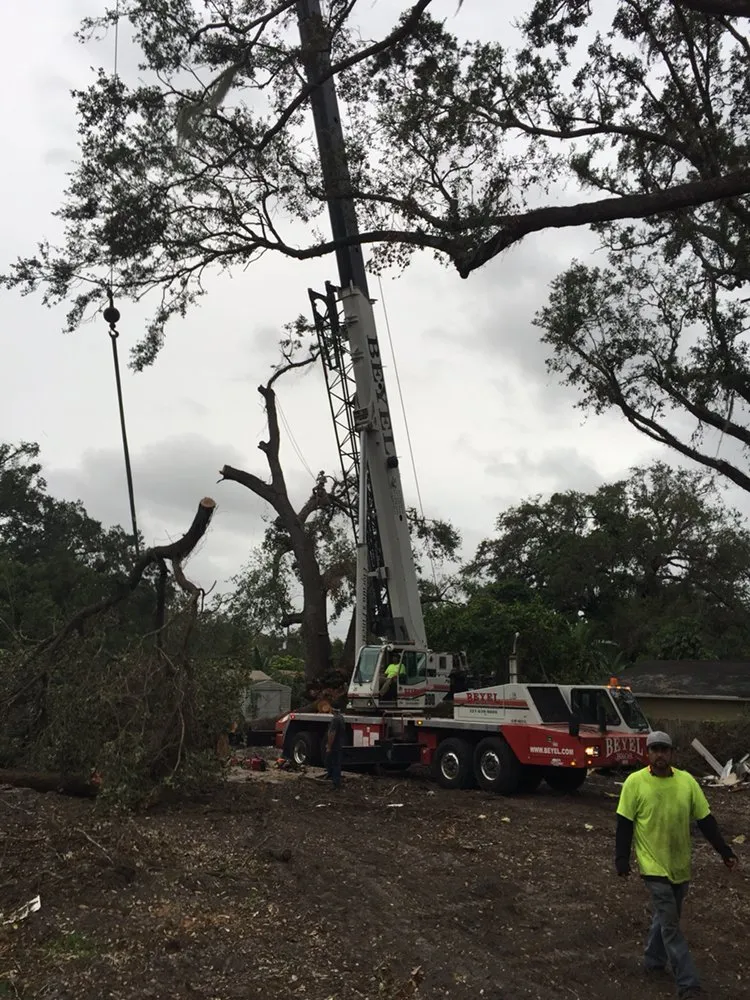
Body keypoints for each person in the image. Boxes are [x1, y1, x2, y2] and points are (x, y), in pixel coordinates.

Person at [615, 730, 738, 999]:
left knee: (666, 917)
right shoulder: (634, 783)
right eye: (655, 749)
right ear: (648, 753)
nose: (660, 754)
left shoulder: (687, 783)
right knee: (671, 925)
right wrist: (622, 859)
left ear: (672, 753)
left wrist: (725, 852)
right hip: (652, 865)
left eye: (664, 750)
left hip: (680, 864)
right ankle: (689, 984)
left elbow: (706, 821)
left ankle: (653, 960)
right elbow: (624, 825)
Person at [325, 706, 346, 790]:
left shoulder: (335, 720)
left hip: (335, 745)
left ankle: (335, 783)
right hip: (340, 744)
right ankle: (335, 781)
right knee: (336, 763)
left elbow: (332, 733)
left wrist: (329, 746)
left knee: (331, 762)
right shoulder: (341, 718)